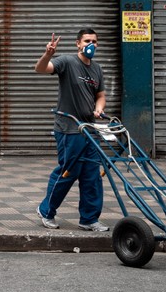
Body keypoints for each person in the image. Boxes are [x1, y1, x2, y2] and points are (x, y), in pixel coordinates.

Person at [34, 27, 109, 232]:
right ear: (78, 44)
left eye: (94, 41)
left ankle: (89, 218)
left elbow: (100, 95)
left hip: (90, 129)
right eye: (87, 41)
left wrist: (99, 108)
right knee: (69, 171)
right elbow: (41, 69)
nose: (91, 45)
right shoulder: (67, 62)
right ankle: (46, 210)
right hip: (68, 128)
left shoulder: (97, 69)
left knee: (92, 175)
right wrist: (48, 54)